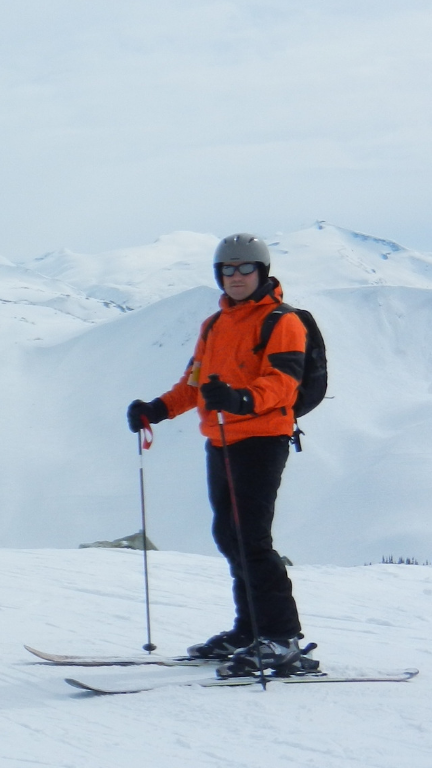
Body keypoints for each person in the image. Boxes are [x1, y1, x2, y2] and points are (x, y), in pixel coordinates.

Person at [125, 233, 320, 678]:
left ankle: (282, 639)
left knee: (251, 538)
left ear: (262, 273)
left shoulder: (281, 321)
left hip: (261, 439)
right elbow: (195, 385)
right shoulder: (214, 325)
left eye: (244, 268)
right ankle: (251, 629)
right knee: (230, 537)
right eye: (227, 269)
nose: (235, 277)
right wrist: (156, 409)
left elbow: (283, 383)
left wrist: (240, 400)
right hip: (221, 440)